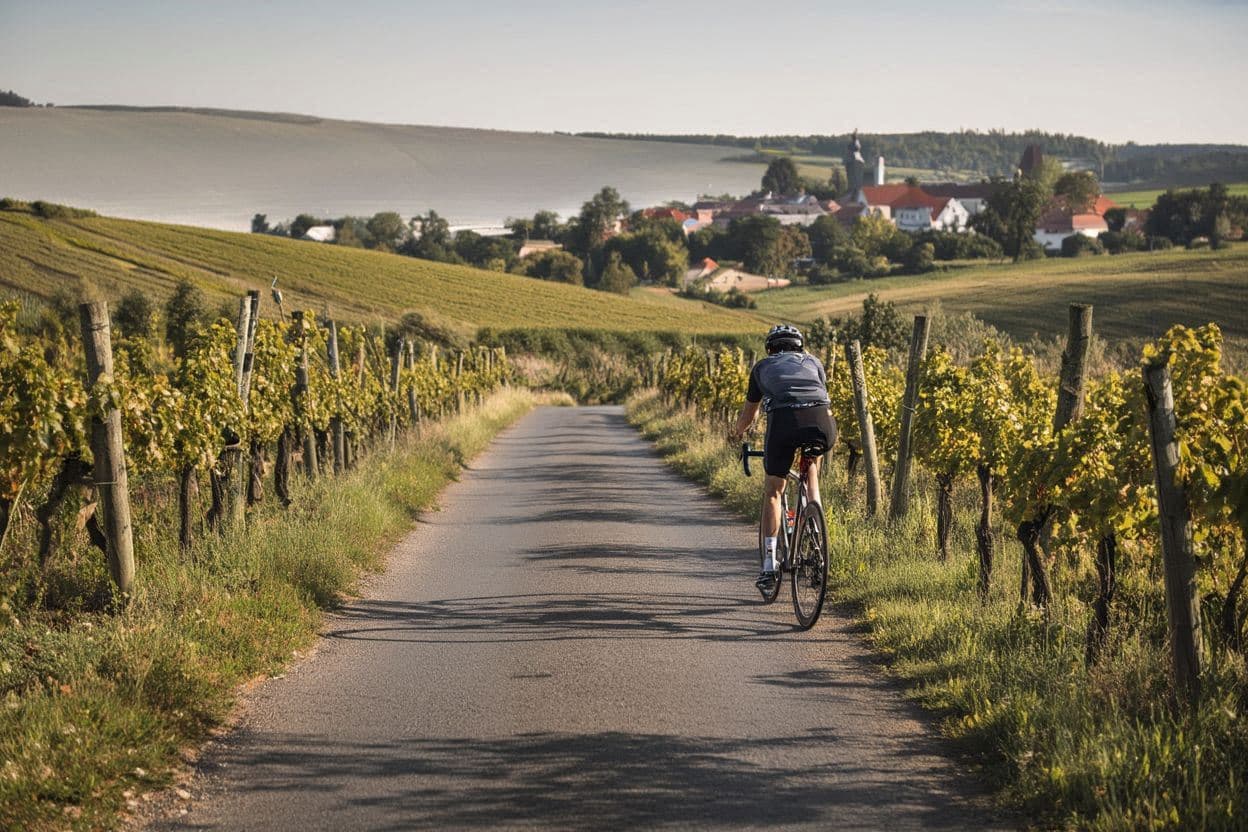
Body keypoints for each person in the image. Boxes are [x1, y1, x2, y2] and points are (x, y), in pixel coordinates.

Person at [728, 324, 836, 598]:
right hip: (822, 422)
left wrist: (737, 434)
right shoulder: (815, 362)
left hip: (784, 423)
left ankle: (768, 566)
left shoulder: (762, 368)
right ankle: (814, 515)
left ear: (770, 348)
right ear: (799, 346)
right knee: (810, 463)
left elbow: (748, 417)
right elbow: (820, 395)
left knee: (774, 492)